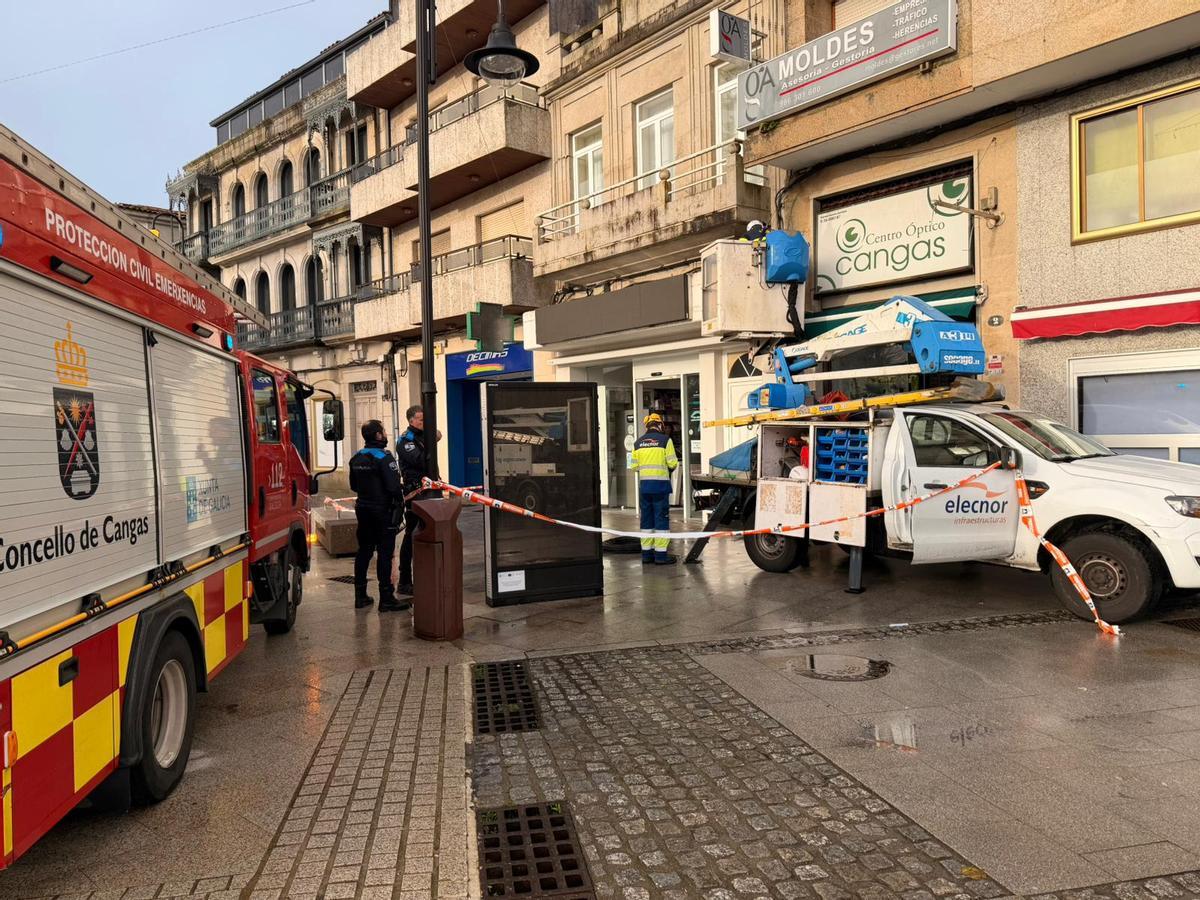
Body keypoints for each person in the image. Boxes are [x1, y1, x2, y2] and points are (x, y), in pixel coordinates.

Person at [349, 420, 408, 612]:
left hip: (363, 508)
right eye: (383, 430)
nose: (385, 433)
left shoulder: (356, 458)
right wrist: (399, 506)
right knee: (384, 553)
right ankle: (386, 597)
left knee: (364, 551)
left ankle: (360, 595)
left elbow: (354, 486)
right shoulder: (385, 458)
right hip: (382, 511)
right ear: (378, 436)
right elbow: (393, 487)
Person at [630, 412, 679, 565]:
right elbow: (673, 464)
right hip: (660, 488)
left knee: (646, 521)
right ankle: (661, 556)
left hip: (645, 488)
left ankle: (646, 555)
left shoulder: (637, 443)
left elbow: (634, 466)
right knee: (661, 521)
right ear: (659, 425)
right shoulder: (665, 441)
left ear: (647, 426)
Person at [396, 405, 431, 596]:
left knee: (427, 532)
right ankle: (404, 580)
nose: (423, 423)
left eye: (425, 419)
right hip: (414, 493)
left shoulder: (422, 436)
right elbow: (421, 460)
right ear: (411, 421)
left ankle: (425, 575)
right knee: (411, 534)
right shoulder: (406, 440)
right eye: (420, 420)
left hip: (429, 491)